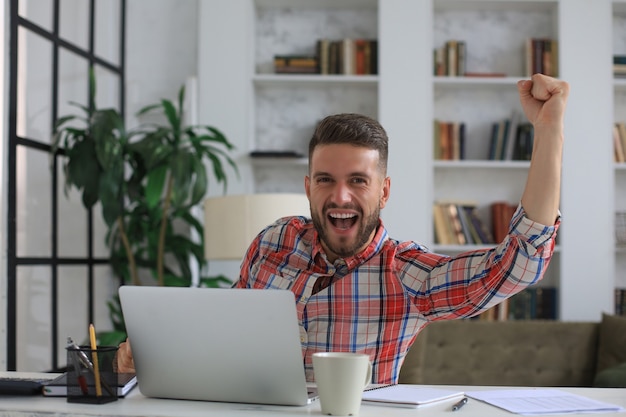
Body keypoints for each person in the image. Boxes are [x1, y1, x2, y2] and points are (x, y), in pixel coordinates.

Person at [118, 73, 569, 385]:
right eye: (325, 180)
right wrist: (151, 351)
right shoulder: (273, 243)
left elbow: (517, 266)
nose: (340, 197)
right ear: (308, 186)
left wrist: (548, 132)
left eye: (358, 181)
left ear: (384, 191)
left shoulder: (406, 274)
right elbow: (227, 332)